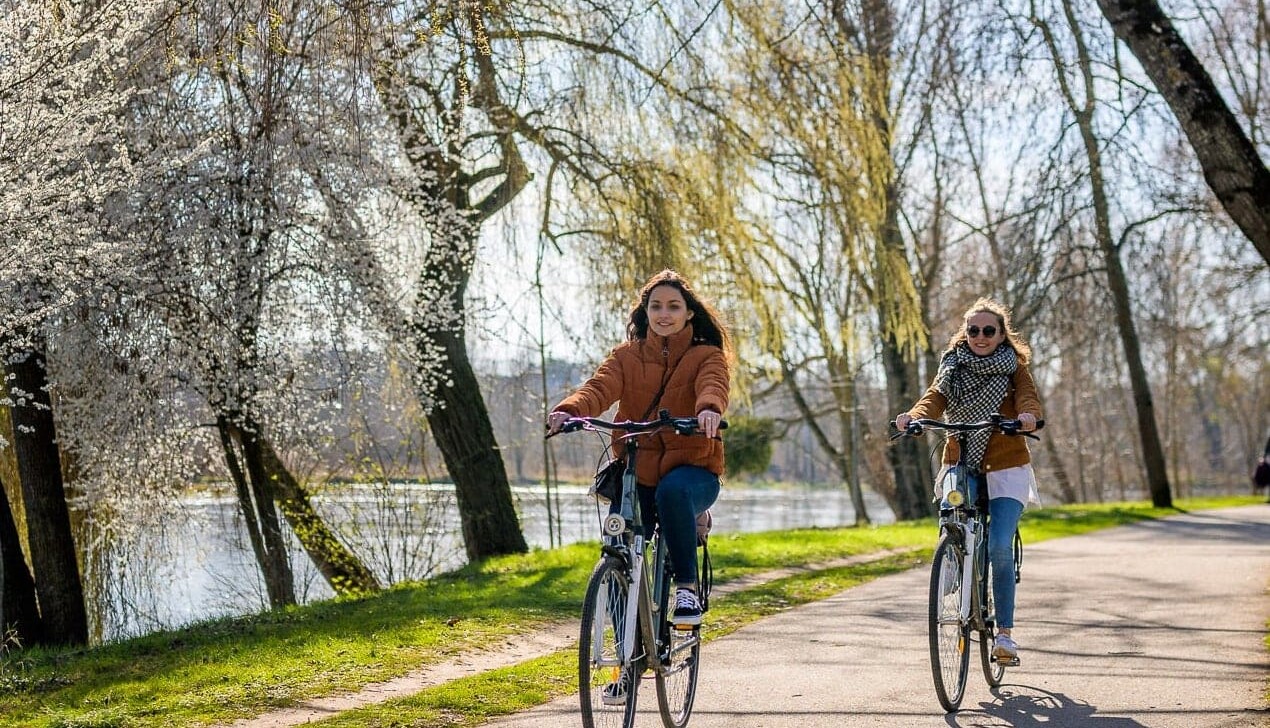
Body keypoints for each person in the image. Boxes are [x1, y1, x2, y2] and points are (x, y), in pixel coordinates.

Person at [547, 269, 730, 631]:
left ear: (688, 313)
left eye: (673, 306)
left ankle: (686, 589)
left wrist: (708, 409)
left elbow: (714, 385)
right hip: (638, 468)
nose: (664, 314)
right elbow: (599, 388)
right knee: (616, 550)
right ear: (644, 312)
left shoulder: (706, 356)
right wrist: (568, 410)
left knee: (673, 492)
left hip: (692, 469)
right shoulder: (625, 357)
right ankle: (622, 661)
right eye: (656, 306)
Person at [895, 297, 1042, 663]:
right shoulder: (952, 365)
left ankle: (1005, 636)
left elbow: (1029, 400)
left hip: (1007, 468)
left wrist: (1025, 418)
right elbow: (934, 398)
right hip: (961, 460)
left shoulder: (1014, 369)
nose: (980, 336)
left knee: (997, 547)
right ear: (966, 332)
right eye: (973, 330)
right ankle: (955, 563)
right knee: (952, 513)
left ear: (1001, 334)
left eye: (988, 331)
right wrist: (913, 417)